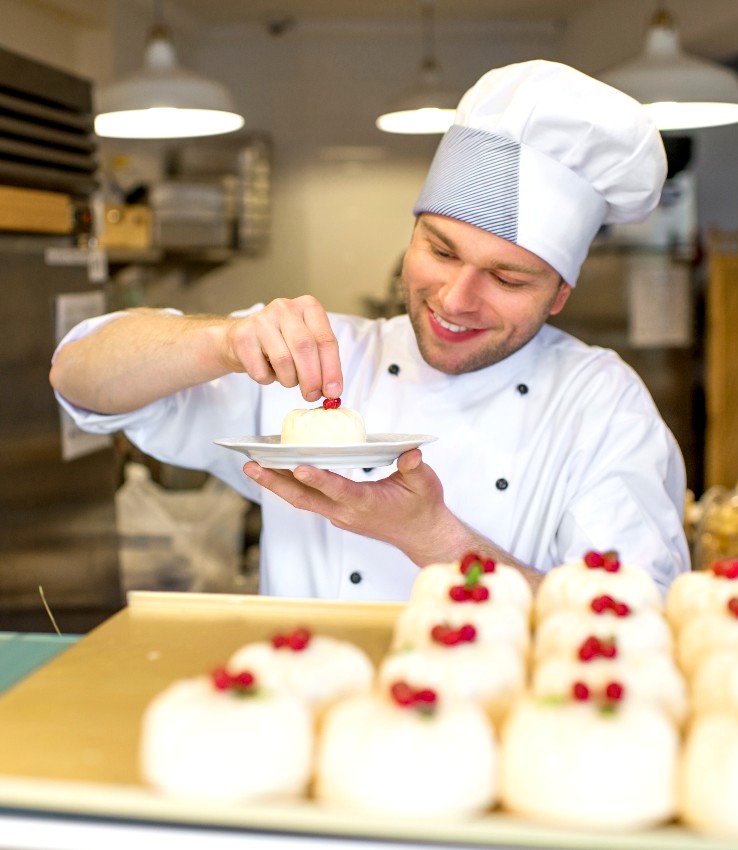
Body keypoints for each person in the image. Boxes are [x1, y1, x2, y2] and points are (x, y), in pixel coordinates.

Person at [50, 60, 690, 600]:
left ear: (559, 296)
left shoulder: (600, 405)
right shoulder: (321, 357)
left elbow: (628, 629)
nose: (456, 299)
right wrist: (218, 341)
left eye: (509, 279)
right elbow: (77, 374)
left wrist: (430, 535)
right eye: (440, 252)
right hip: (310, 715)